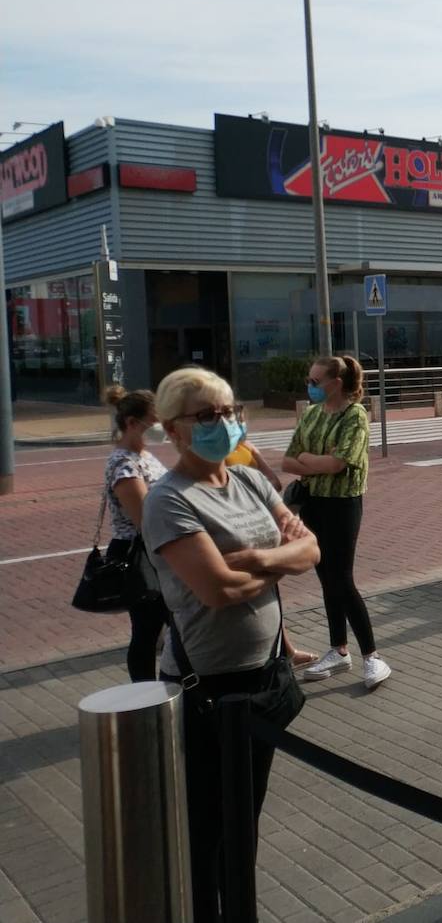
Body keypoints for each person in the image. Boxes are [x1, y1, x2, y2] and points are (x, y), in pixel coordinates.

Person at [142, 367, 320, 922]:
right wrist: (280, 563)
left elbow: (312, 549)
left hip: (264, 674)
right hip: (208, 687)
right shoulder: (168, 499)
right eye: (206, 415)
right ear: (173, 429)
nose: (222, 423)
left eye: (228, 412)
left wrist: (259, 559)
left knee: (245, 820)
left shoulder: (248, 480)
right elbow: (216, 591)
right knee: (209, 831)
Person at [284, 355, 392, 690]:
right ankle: (339, 649)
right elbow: (289, 460)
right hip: (312, 503)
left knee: (342, 578)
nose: (310, 386)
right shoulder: (312, 414)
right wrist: (317, 460)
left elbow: (339, 463)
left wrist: (309, 459)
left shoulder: (355, 415)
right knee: (325, 576)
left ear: (337, 383)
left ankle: (372, 655)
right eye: (309, 380)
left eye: (316, 382)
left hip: (343, 504)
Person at [225, 423, 316, 669]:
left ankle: (285, 650)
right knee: (253, 592)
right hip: (239, 526)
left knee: (269, 593)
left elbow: (274, 483)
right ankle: (283, 651)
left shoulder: (247, 448)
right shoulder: (222, 456)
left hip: (256, 523)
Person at [102, 385, 168, 682]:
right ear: (132, 423)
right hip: (139, 553)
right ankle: (145, 693)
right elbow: (145, 520)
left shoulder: (144, 455)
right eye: (155, 421)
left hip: (156, 550)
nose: (161, 427)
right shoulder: (124, 464)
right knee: (146, 629)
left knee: (165, 626)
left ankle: (169, 689)